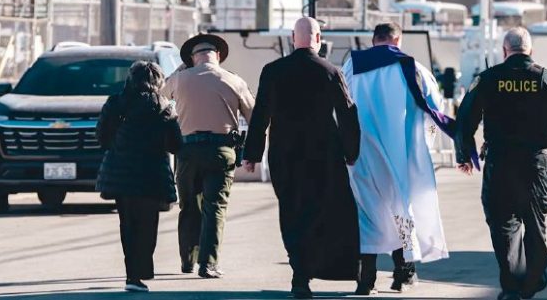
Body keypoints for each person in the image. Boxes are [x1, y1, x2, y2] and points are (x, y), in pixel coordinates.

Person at [454, 27, 547, 300]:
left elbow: (465, 119)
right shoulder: (546, 78)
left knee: (504, 226)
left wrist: (464, 155)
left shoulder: (488, 79)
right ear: (530, 50)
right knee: (535, 225)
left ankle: (512, 287)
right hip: (538, 165)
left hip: (501, 163)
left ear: (504, 51)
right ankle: (532, 281)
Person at [243, 17, 362, 299]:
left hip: (284, 154)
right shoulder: (330, 71)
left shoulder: (273, 71)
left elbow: (260, 115)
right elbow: (347, 114)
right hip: (324, 155)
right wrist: (351, 152)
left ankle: (300, 274)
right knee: (325, 211)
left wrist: (252, 154)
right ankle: (336, 268)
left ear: (293, 38)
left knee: (292, 211)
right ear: (318, 39)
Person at [342, 22, 453, 295]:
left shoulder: (351, 67)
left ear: (373, 40)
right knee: (401, 210)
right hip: (401, 154)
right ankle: (403, 272)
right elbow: (434, 112)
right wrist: (423, 145)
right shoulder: (414, 68)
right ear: (398, 40)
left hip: (363, 153)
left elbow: (341, 106)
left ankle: (366, 280)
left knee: (367, 214)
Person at [162, 33, 255, 279]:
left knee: (188, 206)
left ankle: (187, 260)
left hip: (187, 151)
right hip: (221, 151)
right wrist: (253, 154)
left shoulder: (179, 79)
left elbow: (161, 94)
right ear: (219, 56)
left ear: (192, 58)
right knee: (215, 207)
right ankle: (208, 263)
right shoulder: (234, 80)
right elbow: (255, 119)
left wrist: (181, 70)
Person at [96, 61, 181, 292]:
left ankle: (132, 276)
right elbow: (175, 144)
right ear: (158, 82)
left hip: (121, 174)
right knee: (147, 226)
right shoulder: (163, 107)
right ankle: (140, 272)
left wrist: (118, 145)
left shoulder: (115, 103)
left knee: (128, 225)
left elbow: (101, 137)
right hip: (152, 176)